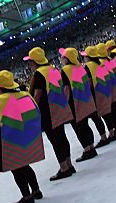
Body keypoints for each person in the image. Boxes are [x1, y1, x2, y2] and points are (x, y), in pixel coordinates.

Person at [0, 71, 43, 203]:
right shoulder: (25, 95)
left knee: (16, 169)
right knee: (26, 165)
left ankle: (27, 196)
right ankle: (36, 190)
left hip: (9, 140)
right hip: (25, 137)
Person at [24, 46, 75, 181]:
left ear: (35, 61)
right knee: (62, 137)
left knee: (55, 140)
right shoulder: (52, 69)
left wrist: (32, 110)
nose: (30, 64)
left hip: (48, 112)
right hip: (59, 107)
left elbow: (38, 94)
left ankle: (64, 168)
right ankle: (69, 164)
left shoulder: (39, 74)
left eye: (30, 61)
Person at [58, 47, 97, 162]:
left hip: (73, 103)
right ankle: (91, 147)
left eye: (63, 56)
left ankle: (87, 150)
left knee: (78, 128)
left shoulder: (65, 70)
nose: (61, 58)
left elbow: (66, 89)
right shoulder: (80, 67)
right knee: (85, 126)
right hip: (84, 100)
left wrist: (64, 105)